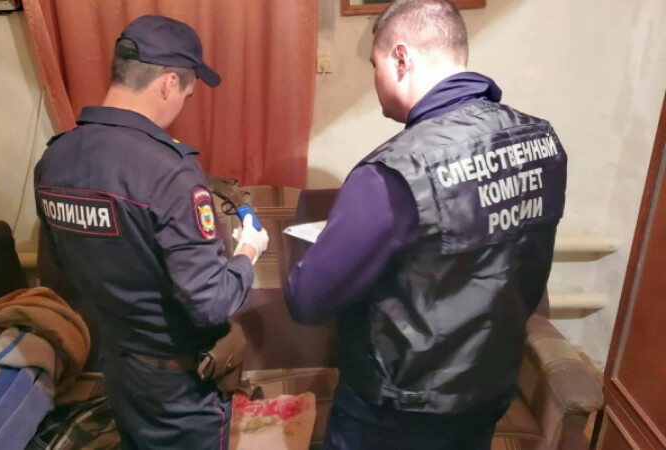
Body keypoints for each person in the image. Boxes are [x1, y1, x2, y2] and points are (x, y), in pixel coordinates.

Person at [283, 1, 567, 448]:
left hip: (396, 414)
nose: (375, 80)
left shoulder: (393, 173)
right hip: (487, 390)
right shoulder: (542, 142)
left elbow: (307, 299)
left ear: (401, 58)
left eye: (374, 65)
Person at [34, 15, 269, 450]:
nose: (183, 104)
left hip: (119, 368)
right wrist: (248, 251)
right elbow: (212, 303)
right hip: (178, 387)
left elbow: (58, 272)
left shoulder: (54, 160)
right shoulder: (169, 173)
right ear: (168, 83)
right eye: (186, 94)